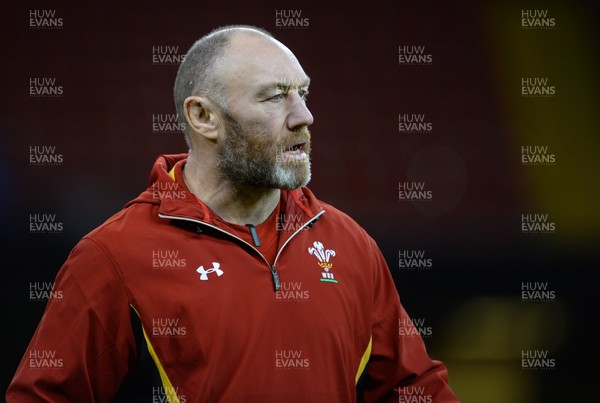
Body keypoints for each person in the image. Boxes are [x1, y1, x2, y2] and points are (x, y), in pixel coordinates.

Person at [7, 25, 459, 402]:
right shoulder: (113, 257)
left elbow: (413, 388)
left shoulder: (349, 244)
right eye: (275, 97)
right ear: (204, 117)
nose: (304, 116)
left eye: (303, 93)